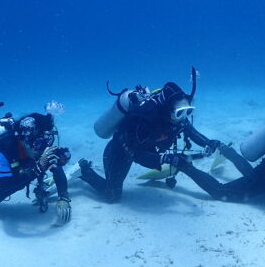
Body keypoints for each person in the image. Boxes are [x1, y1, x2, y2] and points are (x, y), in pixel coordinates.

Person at [79, 69, 238, 202]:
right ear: (168, 109)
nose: (183, 117)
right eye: (180, 113)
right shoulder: (144, 119)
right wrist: (165, 159)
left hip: (147, 150)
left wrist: (208, 142)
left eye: (188, 111)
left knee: (181, 159)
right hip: (121, 151)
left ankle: (218, 191)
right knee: (112, 195)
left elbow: (190, 131)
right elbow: (137, 155)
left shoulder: (175, 118)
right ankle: (84, 170)